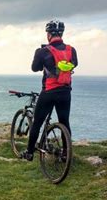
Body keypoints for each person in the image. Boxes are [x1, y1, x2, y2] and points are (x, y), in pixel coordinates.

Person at [21, 20, 78, 161]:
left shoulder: (43, 51)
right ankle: (66, 154)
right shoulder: (71, 50)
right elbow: (74, 64)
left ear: (48, 35)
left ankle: (29, 153)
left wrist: (39, 55)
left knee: (37, 123)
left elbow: (35, 68)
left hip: (49, 92)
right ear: (61, 33)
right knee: (65, 122)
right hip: (65, 92)